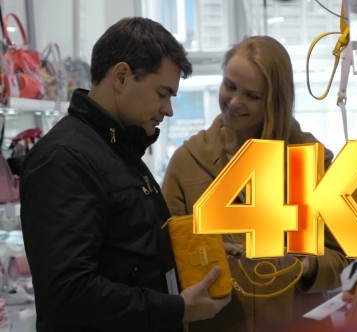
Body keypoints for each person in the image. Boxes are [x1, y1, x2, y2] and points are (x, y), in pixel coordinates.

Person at [19, 17, 231, 332]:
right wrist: (176, 308)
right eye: (162, 93)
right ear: (121, 76)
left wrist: (191, 247)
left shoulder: (120, 151)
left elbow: (124, 251)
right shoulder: (63, 160)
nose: (169, 109)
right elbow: (67, 295)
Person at [161, 35, 350, 332]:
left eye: (252, 96)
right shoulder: (187, 162)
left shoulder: (310, 161)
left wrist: (306, 264)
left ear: (276, 100)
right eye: (230, 86)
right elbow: (164, 258)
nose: (235, 102)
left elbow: (345, 258)